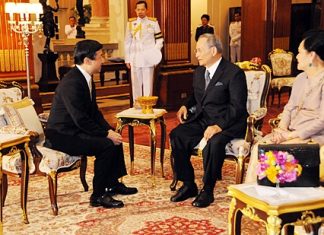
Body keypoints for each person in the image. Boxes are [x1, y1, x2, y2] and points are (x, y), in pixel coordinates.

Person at [44, 39, 138, 209]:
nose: (103, 60)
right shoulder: (72, 82)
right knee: (106, 145)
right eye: (100, 57)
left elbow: (93, 112)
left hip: (75, 128)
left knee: (113, 135)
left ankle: (112, 183)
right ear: (87, 61)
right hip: (62, 135)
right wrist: (104, 134)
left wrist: (108, 130)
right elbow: (80, 118)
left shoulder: (85, 77)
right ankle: (98, 195)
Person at [170, 33, 248, 208]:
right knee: (177, 135)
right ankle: (189, 184)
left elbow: (238, 107)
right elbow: (197, 96)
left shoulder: (234, 73)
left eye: (199, 50)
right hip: (203, 119)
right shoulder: (199, 72)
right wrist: (185, 105)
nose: (196, 54)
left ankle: (208, 189)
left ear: (213, 51)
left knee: (214, 141)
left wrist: (219, 126)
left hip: (228, 122)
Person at [245, 29, 324, 183]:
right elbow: (289, 108)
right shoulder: (301, 78)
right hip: (290, 132)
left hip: (313, 137)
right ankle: (251, 200)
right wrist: (281, 129)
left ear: (312, 55)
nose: (297, 56)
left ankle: (273, 200)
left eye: (300, 52)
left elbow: (322, 120)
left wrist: (289, 136)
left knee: (272, 153)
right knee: (259, 147)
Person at [124, 1, 164, 106]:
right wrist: (127, 59)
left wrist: (154, 55)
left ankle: (148, 106)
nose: (140, 12)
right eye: (138, 9)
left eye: (142, 9)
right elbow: (127, 42)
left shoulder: (153, 23)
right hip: (135, 58)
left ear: (146, 10)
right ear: (135, 10)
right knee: (136, 84)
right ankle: (137, 106)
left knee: (148, 84)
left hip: (148, 58)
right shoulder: (131, 24)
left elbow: (159, 40)